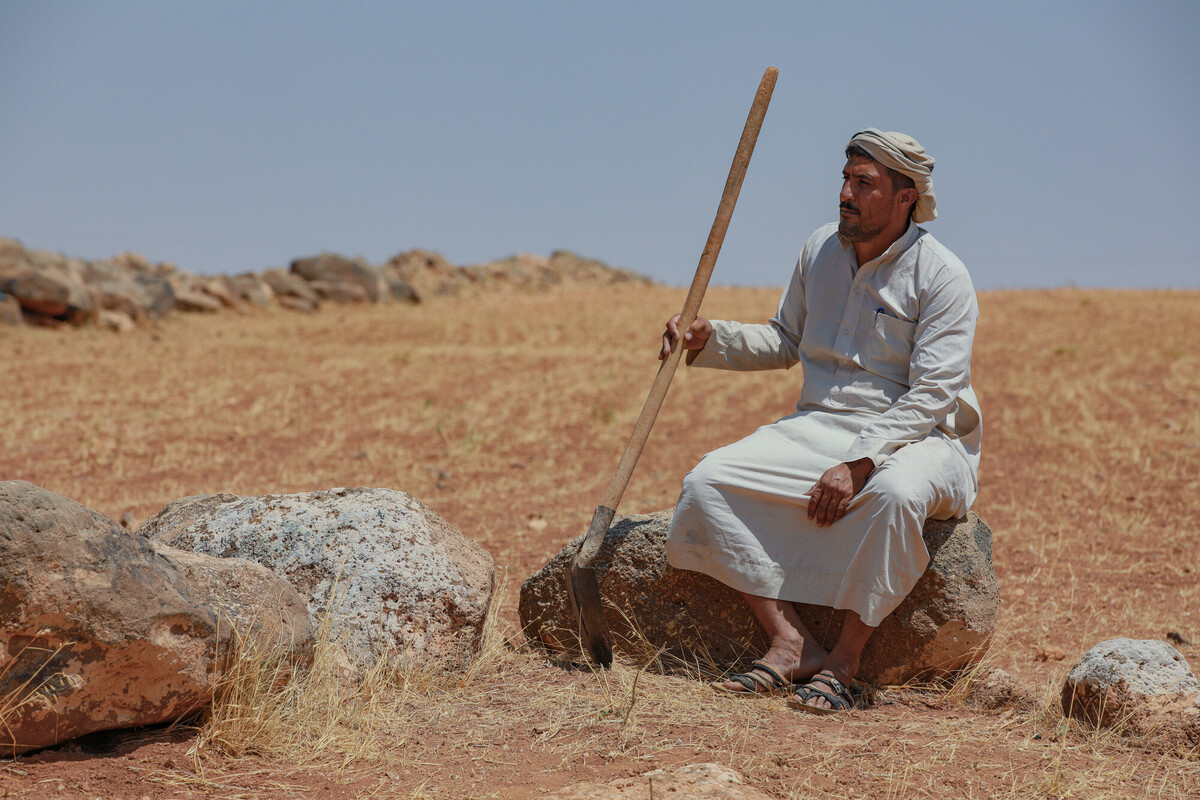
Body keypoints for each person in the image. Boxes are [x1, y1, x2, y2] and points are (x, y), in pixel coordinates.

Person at [658, 129, 982, 714]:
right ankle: (790, 642)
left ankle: (844, 661)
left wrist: (860, 463)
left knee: (895, 494)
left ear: (906, 197)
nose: (846, 194)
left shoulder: (942, 275)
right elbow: (785, 339)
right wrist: (711, 337)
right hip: (820, 426)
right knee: (708, 483)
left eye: (865, 184)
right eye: (845, 179)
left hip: (923, 435)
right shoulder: (819, 250)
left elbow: (934, 394)